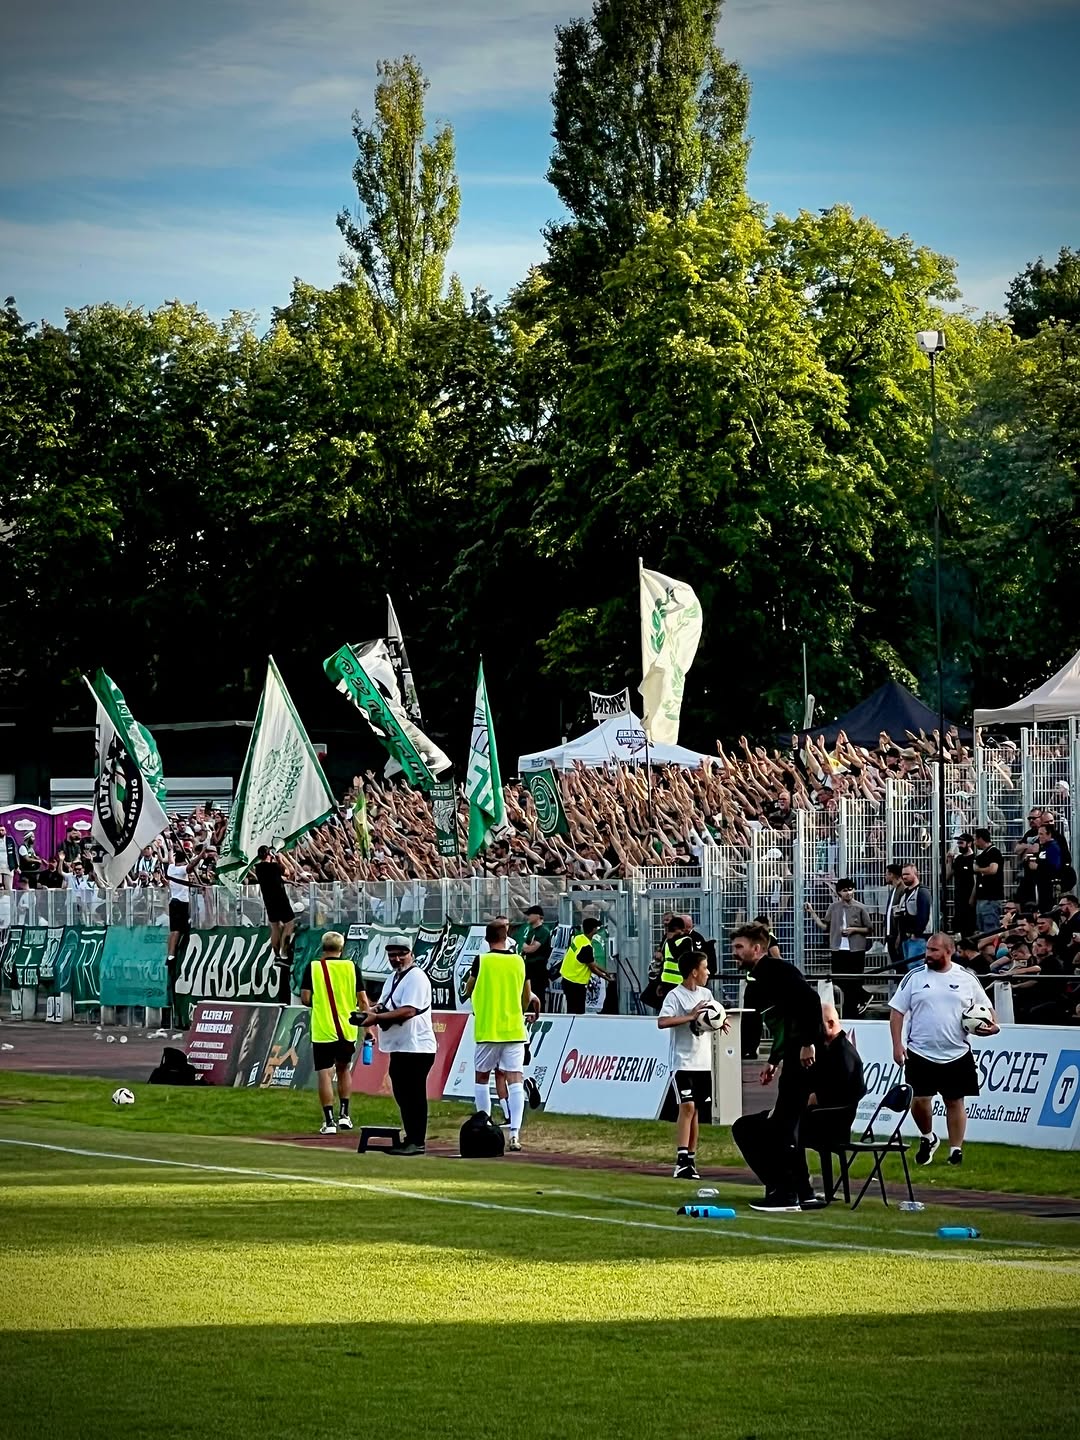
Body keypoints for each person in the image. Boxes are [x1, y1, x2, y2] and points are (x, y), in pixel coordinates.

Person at [734, 1001, 865, 1210]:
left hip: (827, 1124)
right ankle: (790, 1185)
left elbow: (824, 1096)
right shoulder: (824, 1049)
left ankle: (787, 1188)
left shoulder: (843, 1055)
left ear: (830, 1024)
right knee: (749, 1126)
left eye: (812, 1026)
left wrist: (787, 1108)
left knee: (776, 1127)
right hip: (812, 1117)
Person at [732, 922, 824, 1212]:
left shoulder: (776, 971)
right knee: (785, 1125)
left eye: (739, 947)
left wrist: (808, 1042)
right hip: (794, 1054)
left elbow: (811, 1001)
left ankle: (786, 1194)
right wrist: (773, 1060)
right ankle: (803, 1192)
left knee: (783, 1126)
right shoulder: (758, 977)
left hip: (804, 1056)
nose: (735, 952)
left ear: (756, 948)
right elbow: (783, 1024)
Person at [889, 931, 999, 1168]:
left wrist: (991, 1027)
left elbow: (987, 1010)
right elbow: (897, 1011)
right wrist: (897, 1045)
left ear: (949, 951)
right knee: (919, 1101)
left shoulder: (966, 978)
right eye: (927, 949)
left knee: (955, 1101)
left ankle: (956, 1150)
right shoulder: (914, 977)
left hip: (957, 1051)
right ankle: (928, 1137)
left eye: (933, 950)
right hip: (920, 1051)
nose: (927, 954)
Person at [356, 935, 436, 1154]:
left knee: (413, 1094)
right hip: (401, 1045)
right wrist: (367, 1013)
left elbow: (409, 1010)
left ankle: (417, 1141)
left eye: (401, 954)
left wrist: (375, 1018)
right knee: (402, 1093)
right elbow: (385, 1005)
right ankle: (410, 1136)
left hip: (417, 1046)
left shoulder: (417, 977)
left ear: (411, 954)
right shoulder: (394, 977)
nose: (397, 959)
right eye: (392, 955)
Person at [470, 919, 536, 1151]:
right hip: (514, 1028)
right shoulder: (519, 961)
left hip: (489, 1028)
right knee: (515, 1079)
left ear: (487, 939)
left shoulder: (482, 961)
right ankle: (515, 1134)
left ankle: (483, 1125)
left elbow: (468, 989)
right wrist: (520, 1010)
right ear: (506, 937)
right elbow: (527, 996)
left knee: (481, 1078)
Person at [300, 930, 369, 1135]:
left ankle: (329, 1121)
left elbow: (305, 998)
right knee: (343, 1069)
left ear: (323, 947)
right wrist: (368, 1027)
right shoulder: (351, 967)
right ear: (342, 948)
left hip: (323, 1028)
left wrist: (321, 1004)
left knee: (324, 1072)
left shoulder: (313, 967)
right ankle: (345, 1115)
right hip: (347, 1028)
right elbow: (363, 1000)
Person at [657, 950, 717, 1180]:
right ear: (694, 971)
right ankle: (681, 1160)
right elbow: (663, 1022)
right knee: (687, 1107)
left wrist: (719, 1023)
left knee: (697, 1111)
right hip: (682, 1062)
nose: (708, 972)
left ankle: (691, 1160)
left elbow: (713, 1016)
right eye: (705, 967)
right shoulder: (675, 996)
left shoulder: (707, 994)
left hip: (703, 1063)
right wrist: (690, 1017)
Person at [805, 878, 871, 1018]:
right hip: (838, 948)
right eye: (844, 890)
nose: (848, 893)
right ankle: (861, 999)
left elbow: (869, 929)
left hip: (856, 950)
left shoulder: (860, 907)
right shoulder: (833, 907)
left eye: (850, 889)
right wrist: (812, 913)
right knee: (840, 980)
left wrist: (854, 930)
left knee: (854, 979)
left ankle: (853, 1009)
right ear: (839, 893)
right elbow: (825, 926)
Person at [254, 845, 296, 1000]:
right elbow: (288, 872)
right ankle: (284, 953)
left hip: (268, 900)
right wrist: (279, 858)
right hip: (280, 898)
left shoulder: (258, 868)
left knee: (275, 927)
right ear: (268, 854)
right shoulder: (274, 866)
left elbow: (279, 878)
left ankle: (276, 955)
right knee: (290, 923)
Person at [557, 915, 613, 1014]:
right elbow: (592, 968)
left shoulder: (578, 938)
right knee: (577, 1011)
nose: (597, 930)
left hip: (567, 978)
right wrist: (608, 979)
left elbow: (591, 962)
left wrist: (606, 972)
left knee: (571, 1008)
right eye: (596, 928)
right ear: (593, 930)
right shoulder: (586, 947)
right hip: (575, 983)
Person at [895, 864, 931, 967]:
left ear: (915, 874)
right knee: (909, 967)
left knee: (915, 966)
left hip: (918, 937)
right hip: (906, 937)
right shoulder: (906, 893)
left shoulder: (922, 892)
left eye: (907, 874)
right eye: (903, 874)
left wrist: (916, 933)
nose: (904, 877)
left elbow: (924, 915)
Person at [166, 849, 198, 966]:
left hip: (173, 901)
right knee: (177, 930)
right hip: (181, 903)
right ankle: (172, 955)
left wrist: (170, 849)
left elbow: (170, 860)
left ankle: (169, 953)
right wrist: (200, 855)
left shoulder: (170, 868)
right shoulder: (181, 870)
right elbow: (191, 866)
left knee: (173, 929)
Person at [973, 829, 1005, 934]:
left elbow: (993, 869)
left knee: (990, 930)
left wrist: (978, 870)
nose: (974, 843)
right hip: (982, 897)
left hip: (991, 898)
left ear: (981, 839)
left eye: (975, 839)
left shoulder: (994, 852)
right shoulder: (983, 855)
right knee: (981, 930)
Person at [521, 905, 553, 1009]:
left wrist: (525, 946)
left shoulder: (543, 931)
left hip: (538, 967)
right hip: (529, 966)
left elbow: (530, 949)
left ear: (538, 916)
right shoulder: (530, 931)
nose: (528, 917)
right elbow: (524, 947)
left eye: (530, 914)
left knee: (538, 993)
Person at [947, 834, 977, 936]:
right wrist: (950, 861)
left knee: (969, 928)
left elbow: (976, 881)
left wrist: (972, 898)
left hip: (969, 900)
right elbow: (947, 875)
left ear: (969, 844)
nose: (959, 845)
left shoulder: (974, 859)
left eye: (961, 843)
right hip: (959, 899)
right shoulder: (959, 859)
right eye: (958, 843)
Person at [882, 863, 905, 970]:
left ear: (892, 875)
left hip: (897, 935)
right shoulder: (893, 890)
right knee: (896, 965)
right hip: (890, 934)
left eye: (886, 874)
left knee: (900, 965)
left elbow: (901, 916)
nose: (885, 876)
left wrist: (899, 936)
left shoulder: (902, 890)